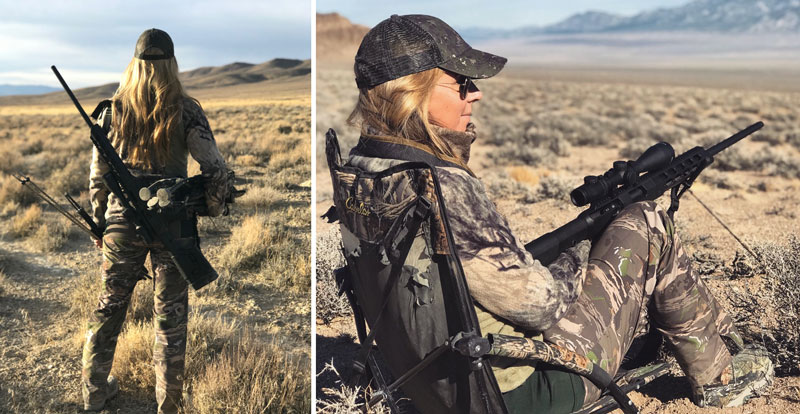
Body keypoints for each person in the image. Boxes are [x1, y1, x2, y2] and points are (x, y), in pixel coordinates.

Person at [335, 14, 773, 413]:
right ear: (412, 93)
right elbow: (541, 305)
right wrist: (580, 249)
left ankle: (717, 346)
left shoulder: (359, 172)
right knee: (647, 221)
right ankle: (719, 377)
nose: (476, 93)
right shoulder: (444, 184)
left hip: (427, 383)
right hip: (519, 395)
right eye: (461, 83)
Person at [82, 28, 230, 413]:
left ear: (134, 64)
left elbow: (98, 180)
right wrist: (210, 207)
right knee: (171, 321)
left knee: (108, 310)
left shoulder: (112, 110)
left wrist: (101, 225)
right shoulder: (186, 109)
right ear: (172, 64)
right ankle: (168, 405)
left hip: (120, 225)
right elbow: (216, 169)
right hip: (174, 226)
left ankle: (94, 396)